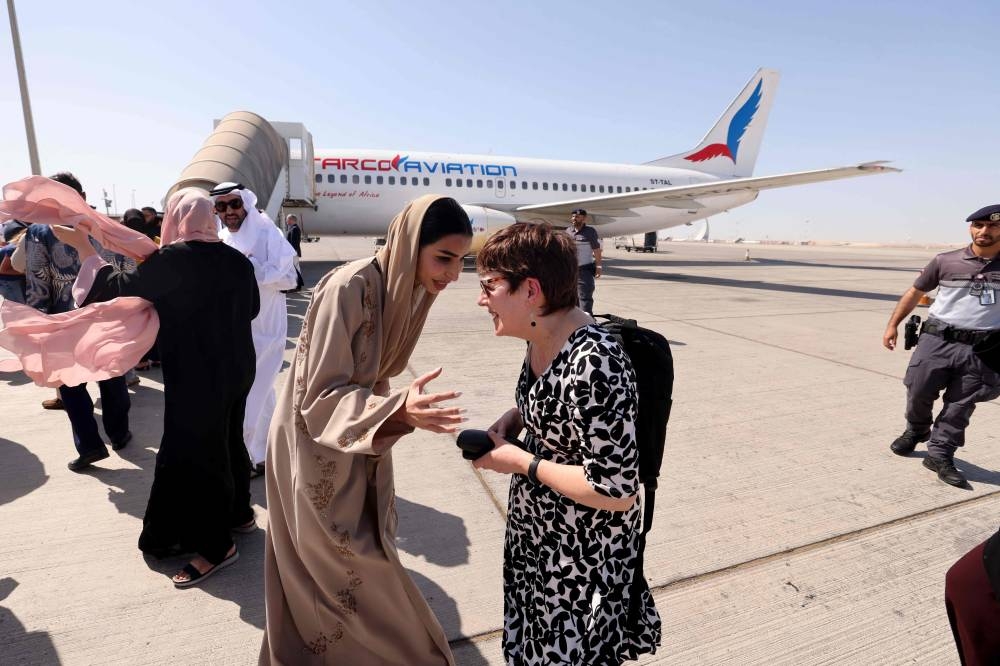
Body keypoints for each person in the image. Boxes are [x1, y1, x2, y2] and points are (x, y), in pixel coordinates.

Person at [260, 195, 471, 665]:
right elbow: (317, 395)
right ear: (411, 243)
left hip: (357, 437)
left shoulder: (407, 288)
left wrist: (395, 409)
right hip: (310, 441)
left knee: (345, 565)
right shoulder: (350, 286)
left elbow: (374, 372)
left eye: (461, 261)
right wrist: (399, 408)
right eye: (444, 258)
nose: (453, 274)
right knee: (344, 568)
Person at [473, 222, 660, 665]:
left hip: (579, 562)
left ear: (531, 291)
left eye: (490, 286)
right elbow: (558, 401)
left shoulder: (595, 362)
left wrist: (522, 463)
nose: (481, 299)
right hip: (537, 541)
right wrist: (518, 414)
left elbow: (616, 490)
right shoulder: (542, 336)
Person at [55, 187, 259, 587]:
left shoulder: (173, 260)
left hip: (199, 374)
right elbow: (251, 308)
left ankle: (217, 547)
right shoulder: (236, 260)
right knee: (229, 438)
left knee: (200, 454)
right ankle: (240, 515)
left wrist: (84, 247)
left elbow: (112, 288)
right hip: (238, 369)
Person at [884, 204, 1000, 487]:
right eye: (979, 225)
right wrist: (892, 324)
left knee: (960, 405)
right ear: (971, 228)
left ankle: (940, 453)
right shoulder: (945, 261)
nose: (984, 231)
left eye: (993, 226)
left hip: (982, 349)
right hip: (937, 341)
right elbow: (916, 291)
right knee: (918, 389)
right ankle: (917, 430)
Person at [23, 172, 134, 464]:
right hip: (106, 321)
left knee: (71, 388)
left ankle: (89, 446)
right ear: (82, 196)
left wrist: (37, 321)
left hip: (65, 323)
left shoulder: (39, 231)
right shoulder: (106, 225)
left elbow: (38, 280)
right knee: (112, 380)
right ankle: (119, 434)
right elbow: (128, 269)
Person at [213, 183, 297, 474]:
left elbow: (291, 279)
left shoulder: (265, 232)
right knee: (262, 396)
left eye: (234, 204)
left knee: (249, 395)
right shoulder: (223, 237)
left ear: (245, 203)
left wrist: (254, 270)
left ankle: (241, 456)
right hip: (237, 330)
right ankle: (268, 453)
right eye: (221, 207)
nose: (229, 212)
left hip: (266, 331)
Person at [566, 208, 602, 314]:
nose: (574, 219)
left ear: (584, 218)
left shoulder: (590, 232)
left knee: (585, 297)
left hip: (584, 270)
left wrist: (599, 267)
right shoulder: (568, 231)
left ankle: (587, 322)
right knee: (572, 298)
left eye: (577, 217)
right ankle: (576, 322)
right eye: (572, 216)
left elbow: (596, 250)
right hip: (571, 271)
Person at [285, 213, 304, 291]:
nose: (286, 221)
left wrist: (291, 252)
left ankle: (297, 285)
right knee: (296, 268)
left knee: (294, 269)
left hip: (293, 252)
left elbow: (294, 242)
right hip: (294, 252)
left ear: (291, 220)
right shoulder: (294, 228)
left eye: (287, 219)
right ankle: (298, 285)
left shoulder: (294, 229)